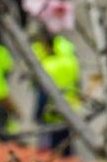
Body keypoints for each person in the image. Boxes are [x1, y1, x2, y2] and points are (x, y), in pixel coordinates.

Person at [31, 27, 80, 155]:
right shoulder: (69, 60)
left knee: (55, 143)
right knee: (67, 140)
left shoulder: (46, 66)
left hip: (52, 111)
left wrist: (38, 113)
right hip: (70, 105)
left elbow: (43, 95)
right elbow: (77, 82)